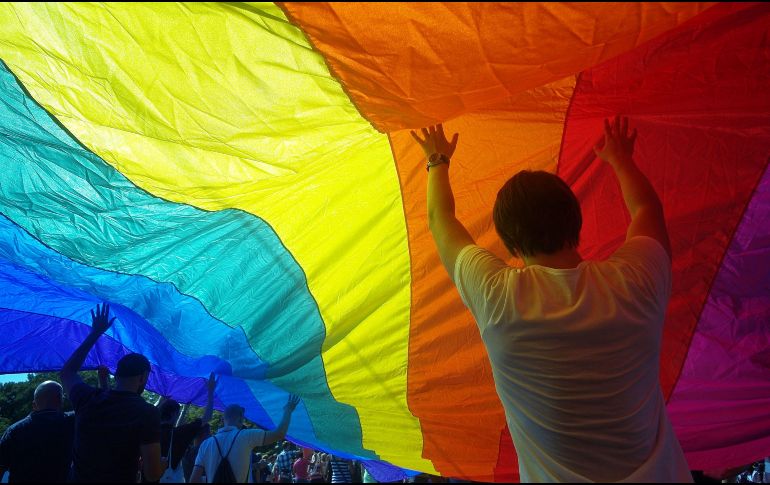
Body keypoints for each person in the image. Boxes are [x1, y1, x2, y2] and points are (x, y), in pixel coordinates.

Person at [410, 117, 691, 482]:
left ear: (509, 243)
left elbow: (439, 218)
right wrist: (620, 159)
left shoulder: (499, 299)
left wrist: (437, 160)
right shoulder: (634, 282)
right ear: (576, 222)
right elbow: (647, 212)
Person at [60, 303, 163, 482]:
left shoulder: (88, 398)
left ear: (118, 374)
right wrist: (164, 463)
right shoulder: (147, 412)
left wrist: (95, 333)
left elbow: (67, 372)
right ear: (143, 377)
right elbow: (153, 474)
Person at [190, 396, 301, 483]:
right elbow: (279, 434)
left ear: (223, 419)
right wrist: (288, 410)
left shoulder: (206, 444)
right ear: (241, 418)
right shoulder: (246, 436)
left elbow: (194, 480)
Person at [0, 381, 74, 482]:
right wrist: (102, 381)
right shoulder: (72, 423)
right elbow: (99, 411)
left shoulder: (14, 431)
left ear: (34, 405)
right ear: (60, 400)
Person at [158, 373, 217, 482]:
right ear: (174, 414)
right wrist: (210, 391)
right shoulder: (179, 433)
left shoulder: (149, 430)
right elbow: (207, 417)